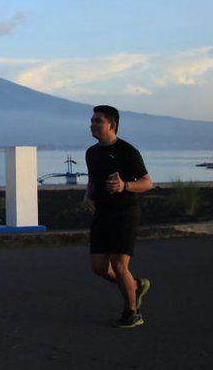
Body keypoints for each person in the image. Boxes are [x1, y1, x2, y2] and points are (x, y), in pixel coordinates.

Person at [83, 105, 154, 329]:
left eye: (97, 121)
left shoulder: (128, 151)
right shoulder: (91, 153)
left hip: (125, 213)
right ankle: (135, 286)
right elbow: (93, 181)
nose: (92, 125)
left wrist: (125, 186)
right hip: (102, 214)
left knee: (120, 265)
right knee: (99, 267)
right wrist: (88, 197)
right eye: (92, 121)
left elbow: (147, 182)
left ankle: (132, 313)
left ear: (112, 125)